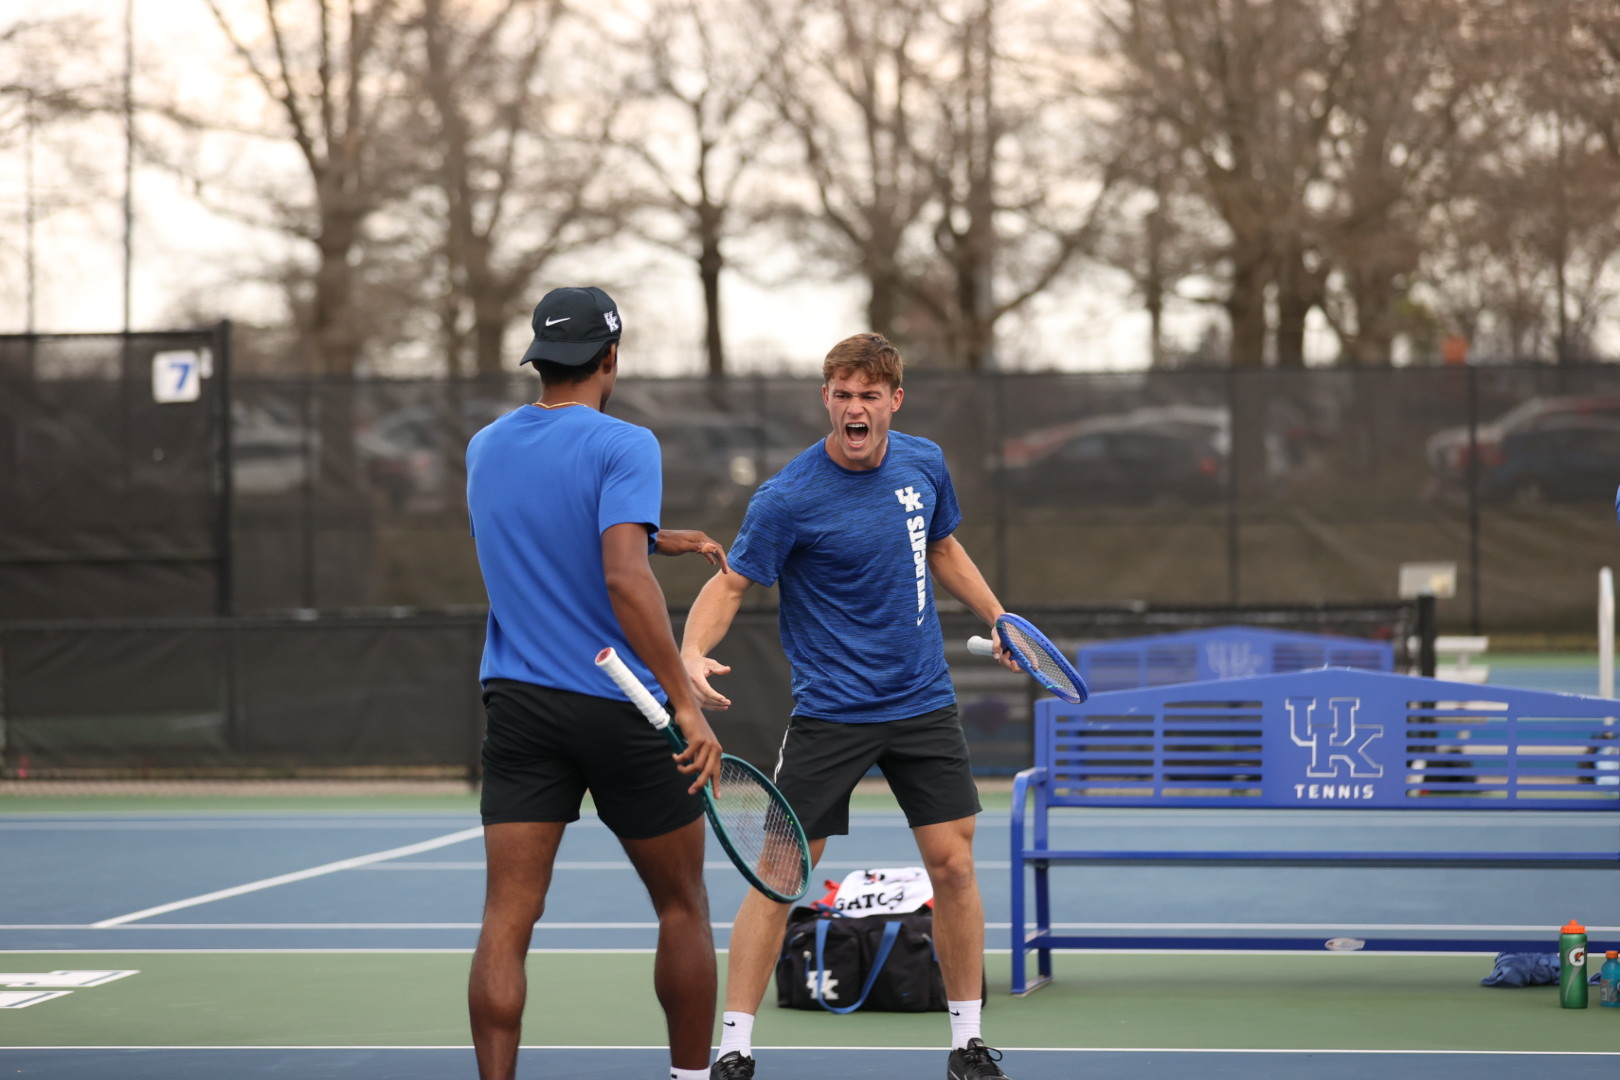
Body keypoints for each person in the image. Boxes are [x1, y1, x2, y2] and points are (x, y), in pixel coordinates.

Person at [681, 332, 1021, 1080]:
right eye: (843, 393)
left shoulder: (925, 463)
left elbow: (943, 547)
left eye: (871, 394)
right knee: (780, 873)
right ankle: (733, 1050)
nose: (855, 407)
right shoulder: (787, 497)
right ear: (826, 400)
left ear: (894, 401)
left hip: (923, 703)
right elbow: (731, 583)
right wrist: (690, 651)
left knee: (954, 867)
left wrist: (998, 617)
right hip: (832, 713)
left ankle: (966, 1043)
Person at [465, 285, 731, 1080]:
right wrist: (684, 701)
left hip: (517, 706)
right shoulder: (627, 445)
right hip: (622, 709)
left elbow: (548, 538)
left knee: (506, 922)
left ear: (538, 359)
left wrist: (655, 535)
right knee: (682, 905)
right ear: (610, 358)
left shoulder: (484, 446)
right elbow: (619, 579)